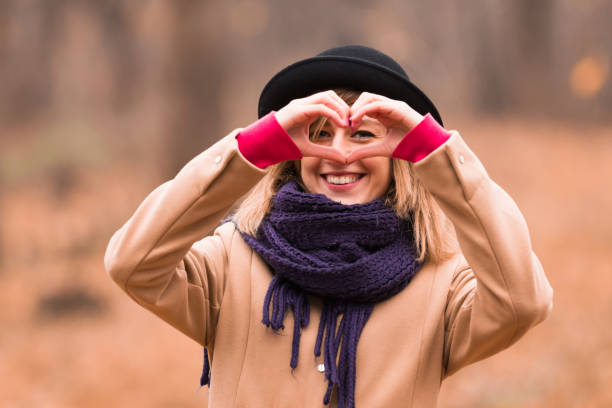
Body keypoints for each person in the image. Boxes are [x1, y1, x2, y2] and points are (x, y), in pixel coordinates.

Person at [104, 45, 553, 408]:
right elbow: (133, 264)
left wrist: (437, 155)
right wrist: (252, 152)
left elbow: (521, 303)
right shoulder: (228, 263)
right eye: (318, 134)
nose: (340, 153)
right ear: (291, 155)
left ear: (402, 159)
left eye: (364, 135)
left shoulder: (442, 285)